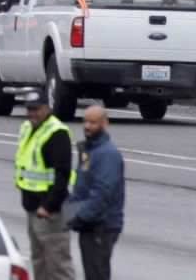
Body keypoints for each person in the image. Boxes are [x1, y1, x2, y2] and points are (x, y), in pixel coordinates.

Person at [14, 87, 77, 280]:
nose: (32, 113)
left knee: (57, 264)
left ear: (47, 108)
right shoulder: (27, 128)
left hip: (51, 211)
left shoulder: (57, 133)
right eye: (29, 109)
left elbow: (62, 175)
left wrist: (49, 206)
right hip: (32, 206)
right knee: (39, 260)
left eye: (36, 109)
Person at [66, 104, 124, 280]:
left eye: (93, 122)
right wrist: (67, 213)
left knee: (97, 274)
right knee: (92, 273)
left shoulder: (107, 154)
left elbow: (103, 193)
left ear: (104, 123)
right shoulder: (89, 151)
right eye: (86, 121)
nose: (87, 126)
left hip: (101, 226)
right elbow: (82, 189)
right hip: (90, 224)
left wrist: (78, 217)